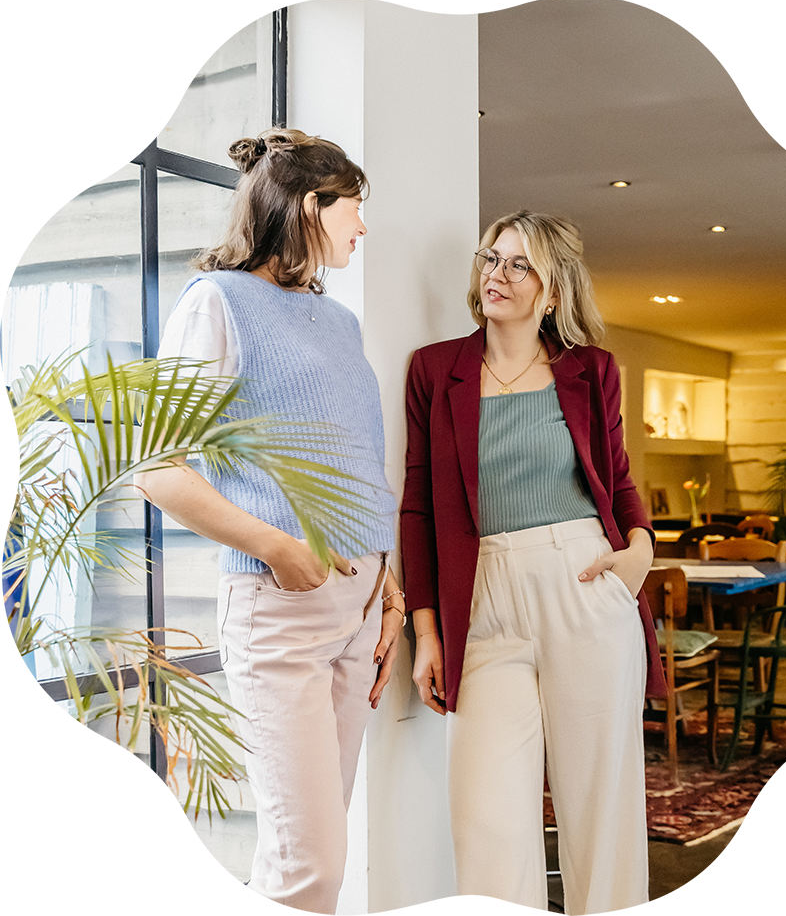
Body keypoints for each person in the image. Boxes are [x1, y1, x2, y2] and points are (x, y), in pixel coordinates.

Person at [137, 129, 405, 915]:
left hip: (360, 612)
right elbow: (158, 468)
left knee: (315, 859)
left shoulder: (339, 321)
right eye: (356, 207)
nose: (363, 226)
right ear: (311, 205)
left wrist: (388, 592)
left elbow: (359, 463)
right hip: (279, 608)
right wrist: (275, 547)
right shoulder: (217, 303)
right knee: (307, 864)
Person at [400, 211, 667, 916]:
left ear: (552, 291)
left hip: (581, 582)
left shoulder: (589, 370)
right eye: (491, 258)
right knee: (486, 814)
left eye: (519, 265)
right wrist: (426, 631)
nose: (497, 274)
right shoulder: (435, 370)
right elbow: (418, 507)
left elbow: (617, 480)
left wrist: (640, 550)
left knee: (598, 804)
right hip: (482, 597)